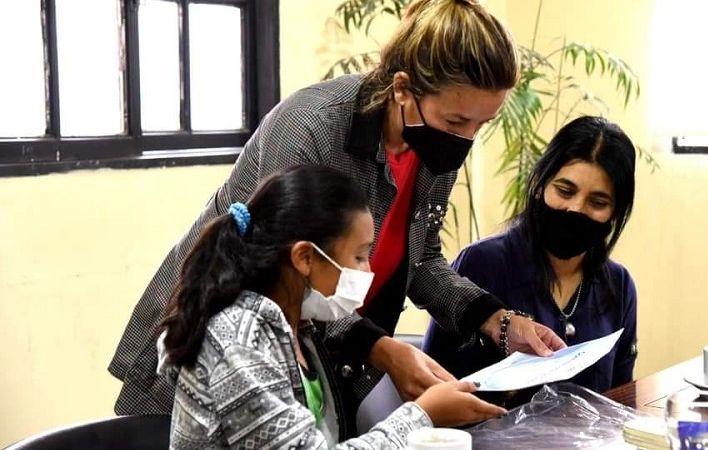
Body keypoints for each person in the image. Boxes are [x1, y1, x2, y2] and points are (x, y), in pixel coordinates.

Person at [110, 0, 565, 421]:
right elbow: (283, 275)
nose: (466, 139)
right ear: (402, 89)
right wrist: (382, 349)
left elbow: (422, 257)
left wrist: (497, 320)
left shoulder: (432, 146)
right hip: (218, 344)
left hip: (315, 356)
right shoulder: (311, 128)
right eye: (456, 121)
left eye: (482, 124)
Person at [158, 165, 506, 449]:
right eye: (359, 256)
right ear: (305, 257)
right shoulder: (238, 340)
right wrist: (422, 415)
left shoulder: (300, 329)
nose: (368, 271)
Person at [423, 116, 639, 408]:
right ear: (539, 183)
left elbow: (620, 401)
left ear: (615, 212)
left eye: (598, 203)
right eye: (565, 191)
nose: (576, 209)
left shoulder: (619, 285)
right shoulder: (481, 264)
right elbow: (433, 387)